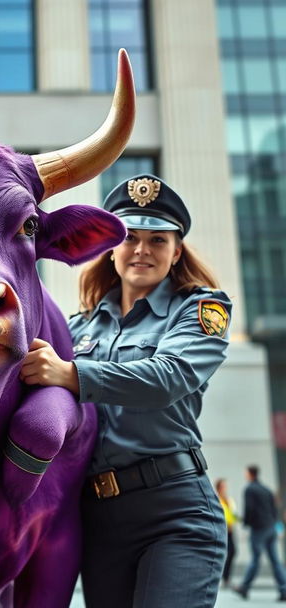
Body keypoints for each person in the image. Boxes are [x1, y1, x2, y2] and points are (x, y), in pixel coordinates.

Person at [20, 174, 230, 607]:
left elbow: (168, 378)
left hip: (174, 510)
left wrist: (72, 374)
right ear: (110, 248)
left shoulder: (202, 308)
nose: (141, 250)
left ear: (176, 252)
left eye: (158, 240)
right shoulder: (76, 329)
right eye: (130, 237)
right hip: (98, 519)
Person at [233, 464, 286, 601]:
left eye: (245, 472)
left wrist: (246, 524)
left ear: (250, 474)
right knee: (275, 560)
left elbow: (249, 508)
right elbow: (275, 510)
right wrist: (275, 525)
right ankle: (284, 589)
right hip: (271, 528)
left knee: (256, 558)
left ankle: (244, 587)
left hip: (259, 529)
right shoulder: (266, 489)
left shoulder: (250, 489)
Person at [215, 477, 238, 587]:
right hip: (222, 530)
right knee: (224, 553)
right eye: (223, 486)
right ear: (219, 487)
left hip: (230, 530)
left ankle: (226, 577)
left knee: (232, 552)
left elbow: (233, 514)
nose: (225, 488)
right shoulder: (217, 499)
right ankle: (223, 577)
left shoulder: (228, 500)